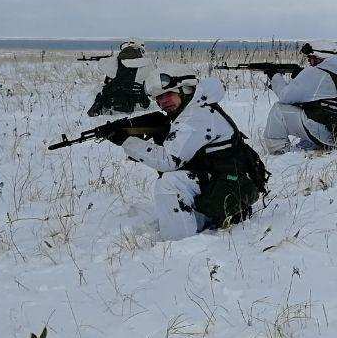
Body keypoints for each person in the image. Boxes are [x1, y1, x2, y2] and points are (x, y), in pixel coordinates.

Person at [111, 70, 268, 239]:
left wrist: (126, 141)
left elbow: (168, 161)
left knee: (169, 183)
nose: (163, 102)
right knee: (175, 181)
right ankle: (196, 220)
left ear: (185, 89)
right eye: (158, 98)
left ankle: (179, 242)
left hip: (231, 185)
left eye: (168, 94)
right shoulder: (197, 107)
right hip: (225, 180)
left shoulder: (196, 116)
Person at [263, 41, 337, 153]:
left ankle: (278, 150)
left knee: (278, 110)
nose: (309, 61)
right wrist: (300, 76)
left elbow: (285, 97)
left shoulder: (315, 72)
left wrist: (275, 76)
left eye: (311, 58)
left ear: (318, 57)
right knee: (311, 110)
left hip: (326, 135)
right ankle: (309, 144)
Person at [87, 39, 153, 116]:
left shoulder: (114, 63)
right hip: (136, 105)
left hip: (114, 104)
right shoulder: (147, 64)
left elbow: (107, 81)